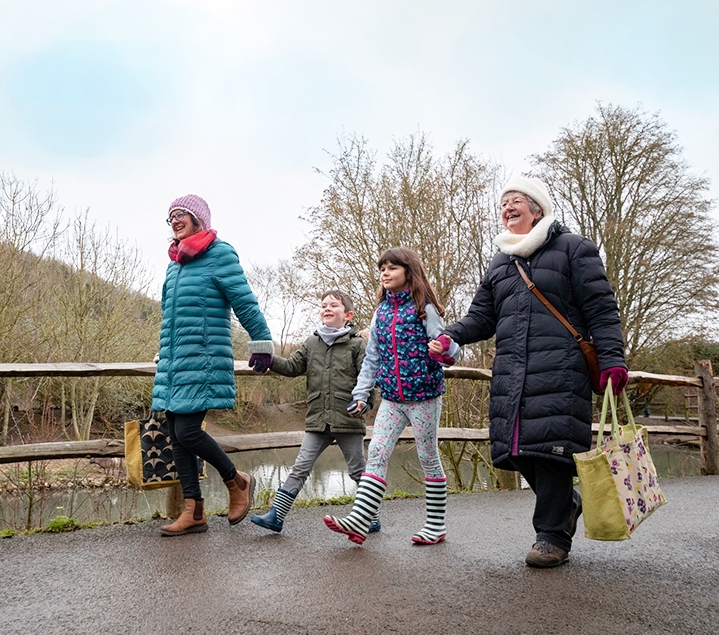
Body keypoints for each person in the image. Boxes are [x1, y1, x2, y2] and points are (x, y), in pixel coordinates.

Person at [429, 176, 627, 568]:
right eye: (503, 203)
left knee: (552, 453)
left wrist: (613, 360)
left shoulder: (574, 248)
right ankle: (567, 505)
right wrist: (451, 335)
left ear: (538, 209)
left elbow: (602, 310)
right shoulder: (501, 262)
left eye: (517, 200)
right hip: (511, 373)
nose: (508, 207)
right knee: (516, 451)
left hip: (559, 369)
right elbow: (482, 317)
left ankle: (551, 537)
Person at [153, 194, 275, 537]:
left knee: (187, 431)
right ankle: (193, 511)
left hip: (204, 358)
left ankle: (237, 480)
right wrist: (164, 352)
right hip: (175, 361)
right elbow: (170, 318)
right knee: (177, 433)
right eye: (171, 217)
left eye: (182, 215)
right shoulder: (174, 263)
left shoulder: (219, 253)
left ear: (199, 220)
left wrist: (261, 343)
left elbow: (244, 302)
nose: (175, 220)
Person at [324, 247, 460, 546]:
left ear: (408, 272)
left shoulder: (424, 308)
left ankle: (436, 525)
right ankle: (360, 521)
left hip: (424, 395)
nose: (385, 273)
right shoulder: (381, 312)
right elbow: (372, 358)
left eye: (392, 268)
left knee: (427, 456)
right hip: (392, 398)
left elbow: (448, 347)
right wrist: (361, 394)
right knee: (377, 452)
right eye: (382, 268)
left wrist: (444, 349)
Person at [250, 290, 380, 534]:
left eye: (334, 305)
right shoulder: (312, 343)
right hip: (317, 420)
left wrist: (365, 404)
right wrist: (269, 360)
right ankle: (275, 516)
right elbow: (292, 366)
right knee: (300, 467)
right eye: (323, 305)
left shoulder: (357, 345)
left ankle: (371, 516)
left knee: (357, 470)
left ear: (348, 315)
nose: (327, 308)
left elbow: (368, 379)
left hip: (347, 419)